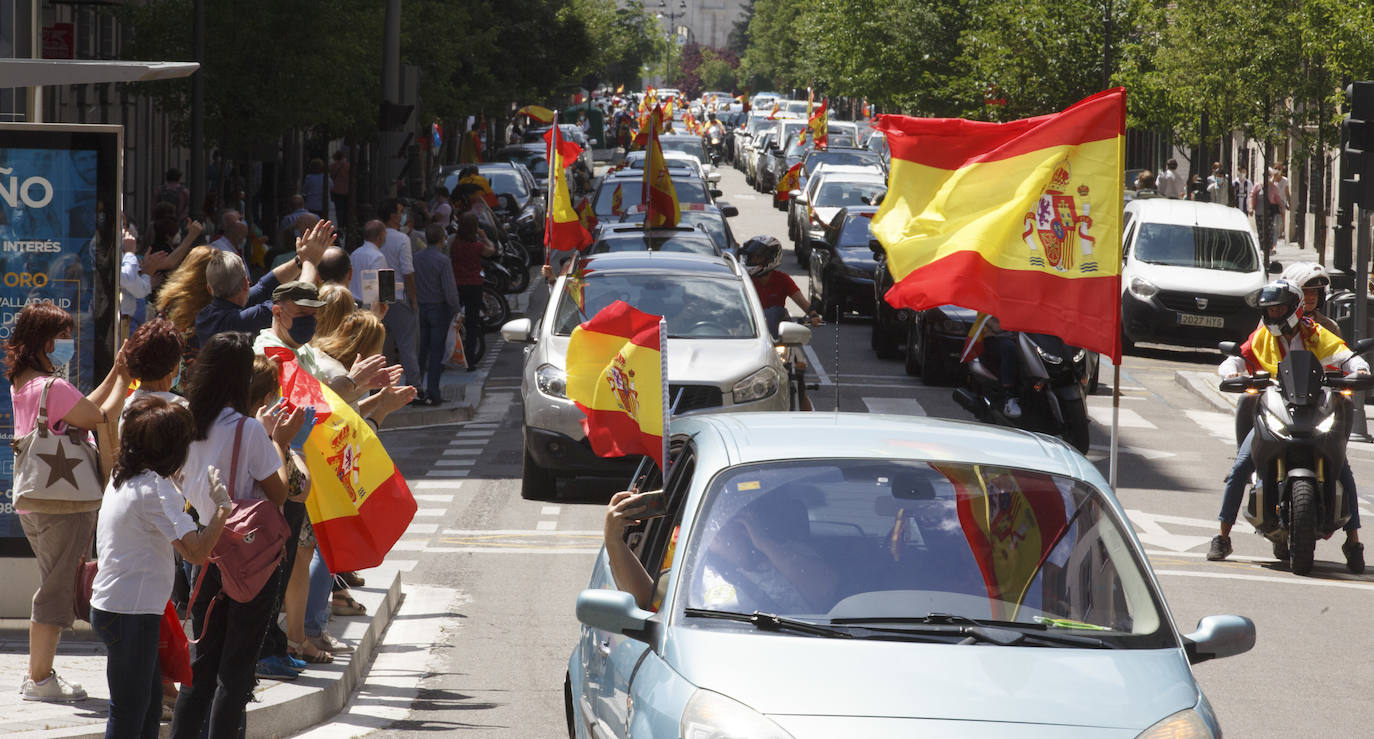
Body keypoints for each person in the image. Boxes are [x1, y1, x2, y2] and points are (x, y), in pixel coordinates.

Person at [169, 331, 304, 739]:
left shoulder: (186, 424)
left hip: (206, 550)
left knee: (202, 666)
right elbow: (280, 492)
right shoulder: (248, 430)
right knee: (237, 671)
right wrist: (279, 442)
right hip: (252, 560)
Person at [7, 302, 132, 702]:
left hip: (37, 499)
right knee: (55, 591)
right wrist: (126, 381)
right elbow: (98, 416)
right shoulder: (53, 388)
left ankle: (39, 674)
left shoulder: (27, 383)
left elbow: (80, 408)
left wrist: (115, 372)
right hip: (65, 504)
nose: (69, 343)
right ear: (44, 341)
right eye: (62, 336)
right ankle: (40, 679)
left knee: (52, 584)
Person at [91, 396, 229, 738]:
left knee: (150, 706)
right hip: (131, 616)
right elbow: (196, 552)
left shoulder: (124, 475)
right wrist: (222, 510)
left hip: (121, 610)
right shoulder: (155, 487)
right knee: (129, 713)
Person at [1207, 280, 1368, 572]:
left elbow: (1345, 356)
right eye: (1269, 310)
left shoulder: (1316, 333)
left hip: (1314, 412)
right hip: (1275, 410)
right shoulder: (1261, 338)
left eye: (1279, 308)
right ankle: (1222, 536)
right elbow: (1236, 359)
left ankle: (1354, 542)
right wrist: (1232, 372)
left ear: (1293, 308)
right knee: (1242, 464)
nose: (1273, 315)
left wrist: (1359, 369)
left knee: (1342, 468)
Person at [194, 219, 331, 347]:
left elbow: (264, 287)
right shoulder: (239, 322)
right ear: (245, 283)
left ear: (210, 289)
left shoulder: (204, 315)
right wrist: (311, 261)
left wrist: (300, 260)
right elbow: (296, 301)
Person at [379, 198, 423, 398]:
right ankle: (415, 387)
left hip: (379, 292)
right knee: (407, 345)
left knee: (383, 346)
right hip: (398, 294)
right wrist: (414, 298)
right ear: (392, 215)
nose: (402, 215)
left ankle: (384, 388)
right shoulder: (401, 239)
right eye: (400, 211)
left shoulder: (374, 240)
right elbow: (407, 271)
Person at [739, 235, 820, 337]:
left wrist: (813, 315)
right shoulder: (744, 280)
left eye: (758, 257)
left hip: (775, 333)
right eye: (752, 257)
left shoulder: (783, 280)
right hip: (748, 331)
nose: (753, 260)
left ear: (771, 258)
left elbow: (801, 301)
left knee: (780, 313)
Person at [416, 224, 461, 403]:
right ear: (442, 239)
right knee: (436, 352)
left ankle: (417, 389)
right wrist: (456, 309)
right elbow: (449, 290)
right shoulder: (443, 261)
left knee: (421, 350)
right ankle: (433, 391)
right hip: (438, 308)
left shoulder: (416, 258)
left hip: (421, 307)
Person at [449, 213, 495, 363]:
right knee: (472, 322)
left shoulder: (454, 243)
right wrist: (484, 236)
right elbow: (491, 250)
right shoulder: (477, 246)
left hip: (457, 285)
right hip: (474, 285)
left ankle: (451, 353)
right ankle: (470, 358)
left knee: (452, 320)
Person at [330, 150, 351, 227]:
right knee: (346, 208)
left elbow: (331, 176)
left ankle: (340, 224)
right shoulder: (348, 166)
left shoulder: (333, 166)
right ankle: (346, 224)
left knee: (339, 209)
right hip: (347, 189)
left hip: (336, 190)